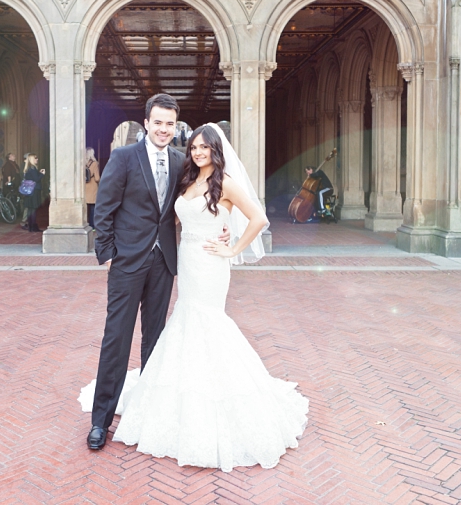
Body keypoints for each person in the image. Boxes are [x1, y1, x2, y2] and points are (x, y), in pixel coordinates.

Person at [79, 123, 308, 471]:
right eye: (195, 148)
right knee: (182, 323)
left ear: (217, 149)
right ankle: (153, 403)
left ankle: (217, 403)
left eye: (205, 147)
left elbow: (258, 218)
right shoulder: (186, 178)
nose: (199, 153)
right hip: (183, 262)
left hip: (211, 264)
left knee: (208, 323)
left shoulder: (226, 182)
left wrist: (232, 248)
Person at [81, 93, 230, 454]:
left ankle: (148, 414)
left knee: (156, 341)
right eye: (158, 122)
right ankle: (101, 419)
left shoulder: (181, 161)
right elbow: (104, 207)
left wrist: (222, 229)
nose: (164, 129)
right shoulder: (123, 157)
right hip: (127, 263)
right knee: (116, 339)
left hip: (165, 263)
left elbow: (201, 198)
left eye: (170, 123)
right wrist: (109, 254)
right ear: (146, 123)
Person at [21, 153, 46, 232]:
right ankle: (33, 227)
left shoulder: (28, 168)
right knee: (33, 209)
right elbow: (36, 179)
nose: (37, 159)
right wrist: (42, 174)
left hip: (29, 191)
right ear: (32, 159)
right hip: (34, 191)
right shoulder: (32, 168)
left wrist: (39, 172)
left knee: (30, 209)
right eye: (35, 158)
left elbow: (32, 177)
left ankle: (31, 227)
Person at [84, 148, 100, 229]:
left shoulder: (83, 163)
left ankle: (85, 223)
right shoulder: (94, 164)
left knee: (86, 208)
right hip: (93, 188)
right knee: (93, 208)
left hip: (85, 187)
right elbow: (97, 178)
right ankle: (92, 225)